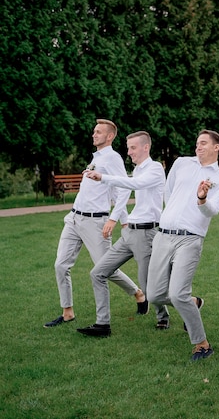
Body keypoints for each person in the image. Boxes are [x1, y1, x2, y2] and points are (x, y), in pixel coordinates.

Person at [44, 119, 145, 328]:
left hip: (95, 222)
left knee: (106, 269)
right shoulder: (96, 157)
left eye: (98, 132)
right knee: (61, 265)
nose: (94, 135)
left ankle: (137, 292)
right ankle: (67, 312)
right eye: (94, 131)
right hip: (73, 219)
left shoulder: (113, 158)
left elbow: (123, 189)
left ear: (109, 136)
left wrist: (115, 219)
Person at [146, 130, 219, 361]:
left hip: (190, 239)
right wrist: (171, 214)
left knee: (177, 294)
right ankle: (193, 303)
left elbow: (212, 210)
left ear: (217, 147)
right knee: (153, 295)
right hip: (163, 235)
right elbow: (168, 191)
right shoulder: (181, 163)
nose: (198, 146)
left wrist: (202, 198)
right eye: (197, 143)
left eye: (203, 143)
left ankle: (202, 344)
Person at [76, 131, 167, 337]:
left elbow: (135, 185)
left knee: (149, 289)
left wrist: (104, 177)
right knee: (97, 273)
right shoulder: (135, 171)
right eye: (128, 148)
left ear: (146, 147)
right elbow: (125, 192)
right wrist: (115, 219)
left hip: (146, 235)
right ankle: (102, 325)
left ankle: (168, 313)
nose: (129, 152)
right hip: (129, 233)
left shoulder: (154, 169)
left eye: (133, 148)